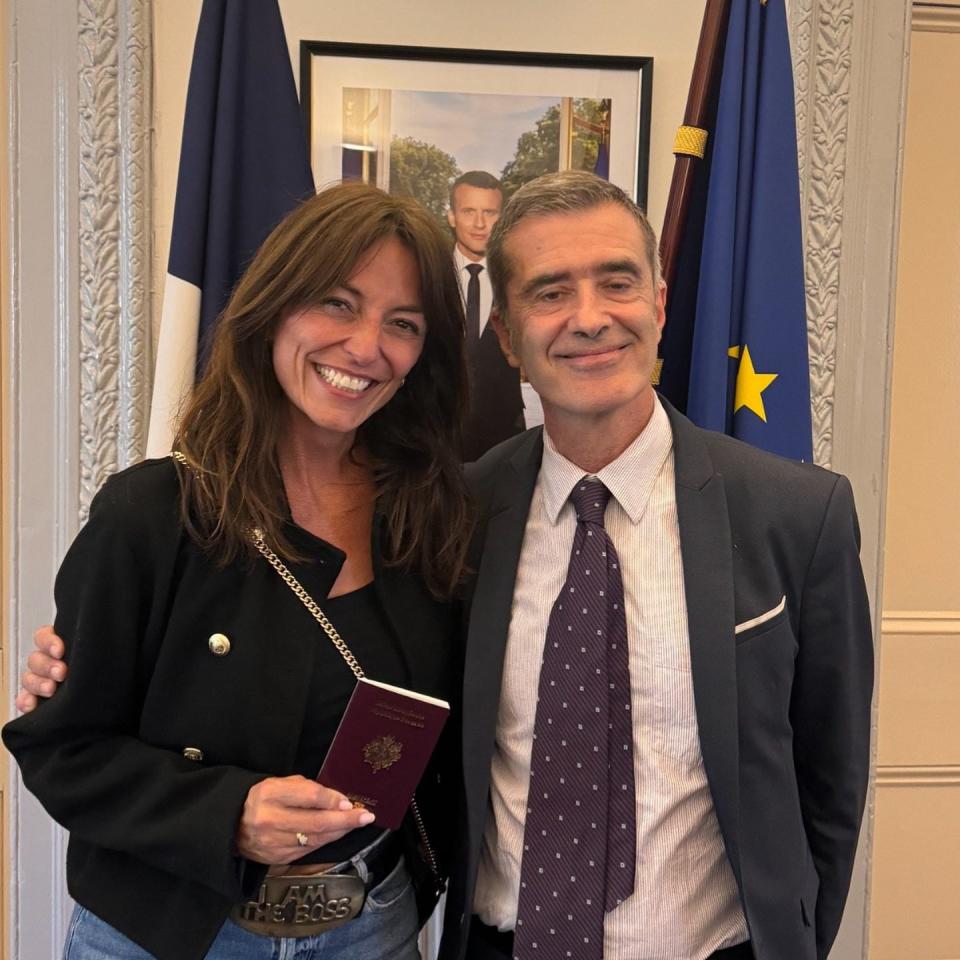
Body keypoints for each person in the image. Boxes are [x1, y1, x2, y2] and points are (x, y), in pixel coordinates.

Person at [19, 171, 874, 960]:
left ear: (657, 300)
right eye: (548, 291)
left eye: (616, 280)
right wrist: (91, 679)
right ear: (505, 334)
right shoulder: (454, 511)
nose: (587, 316)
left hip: (486, 933)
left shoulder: (434, 518)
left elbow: (828, 782)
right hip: (241, 931)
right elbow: (79, 739)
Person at [4, 181, 472, 960]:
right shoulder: (153, 513)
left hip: (373, 927)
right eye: (337, 303)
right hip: (162, 935)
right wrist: (227, 814)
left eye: (403, 324)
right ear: (274, 308)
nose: (366, 347)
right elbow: (61, 749)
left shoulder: (438, 515)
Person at [447, 171, 526, 459]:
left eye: (489, 212)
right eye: (469, 211)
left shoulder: (521, 278)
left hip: (503, 438)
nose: (480, 224)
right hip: (434, 434)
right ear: (452, 216)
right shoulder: (426, 273)